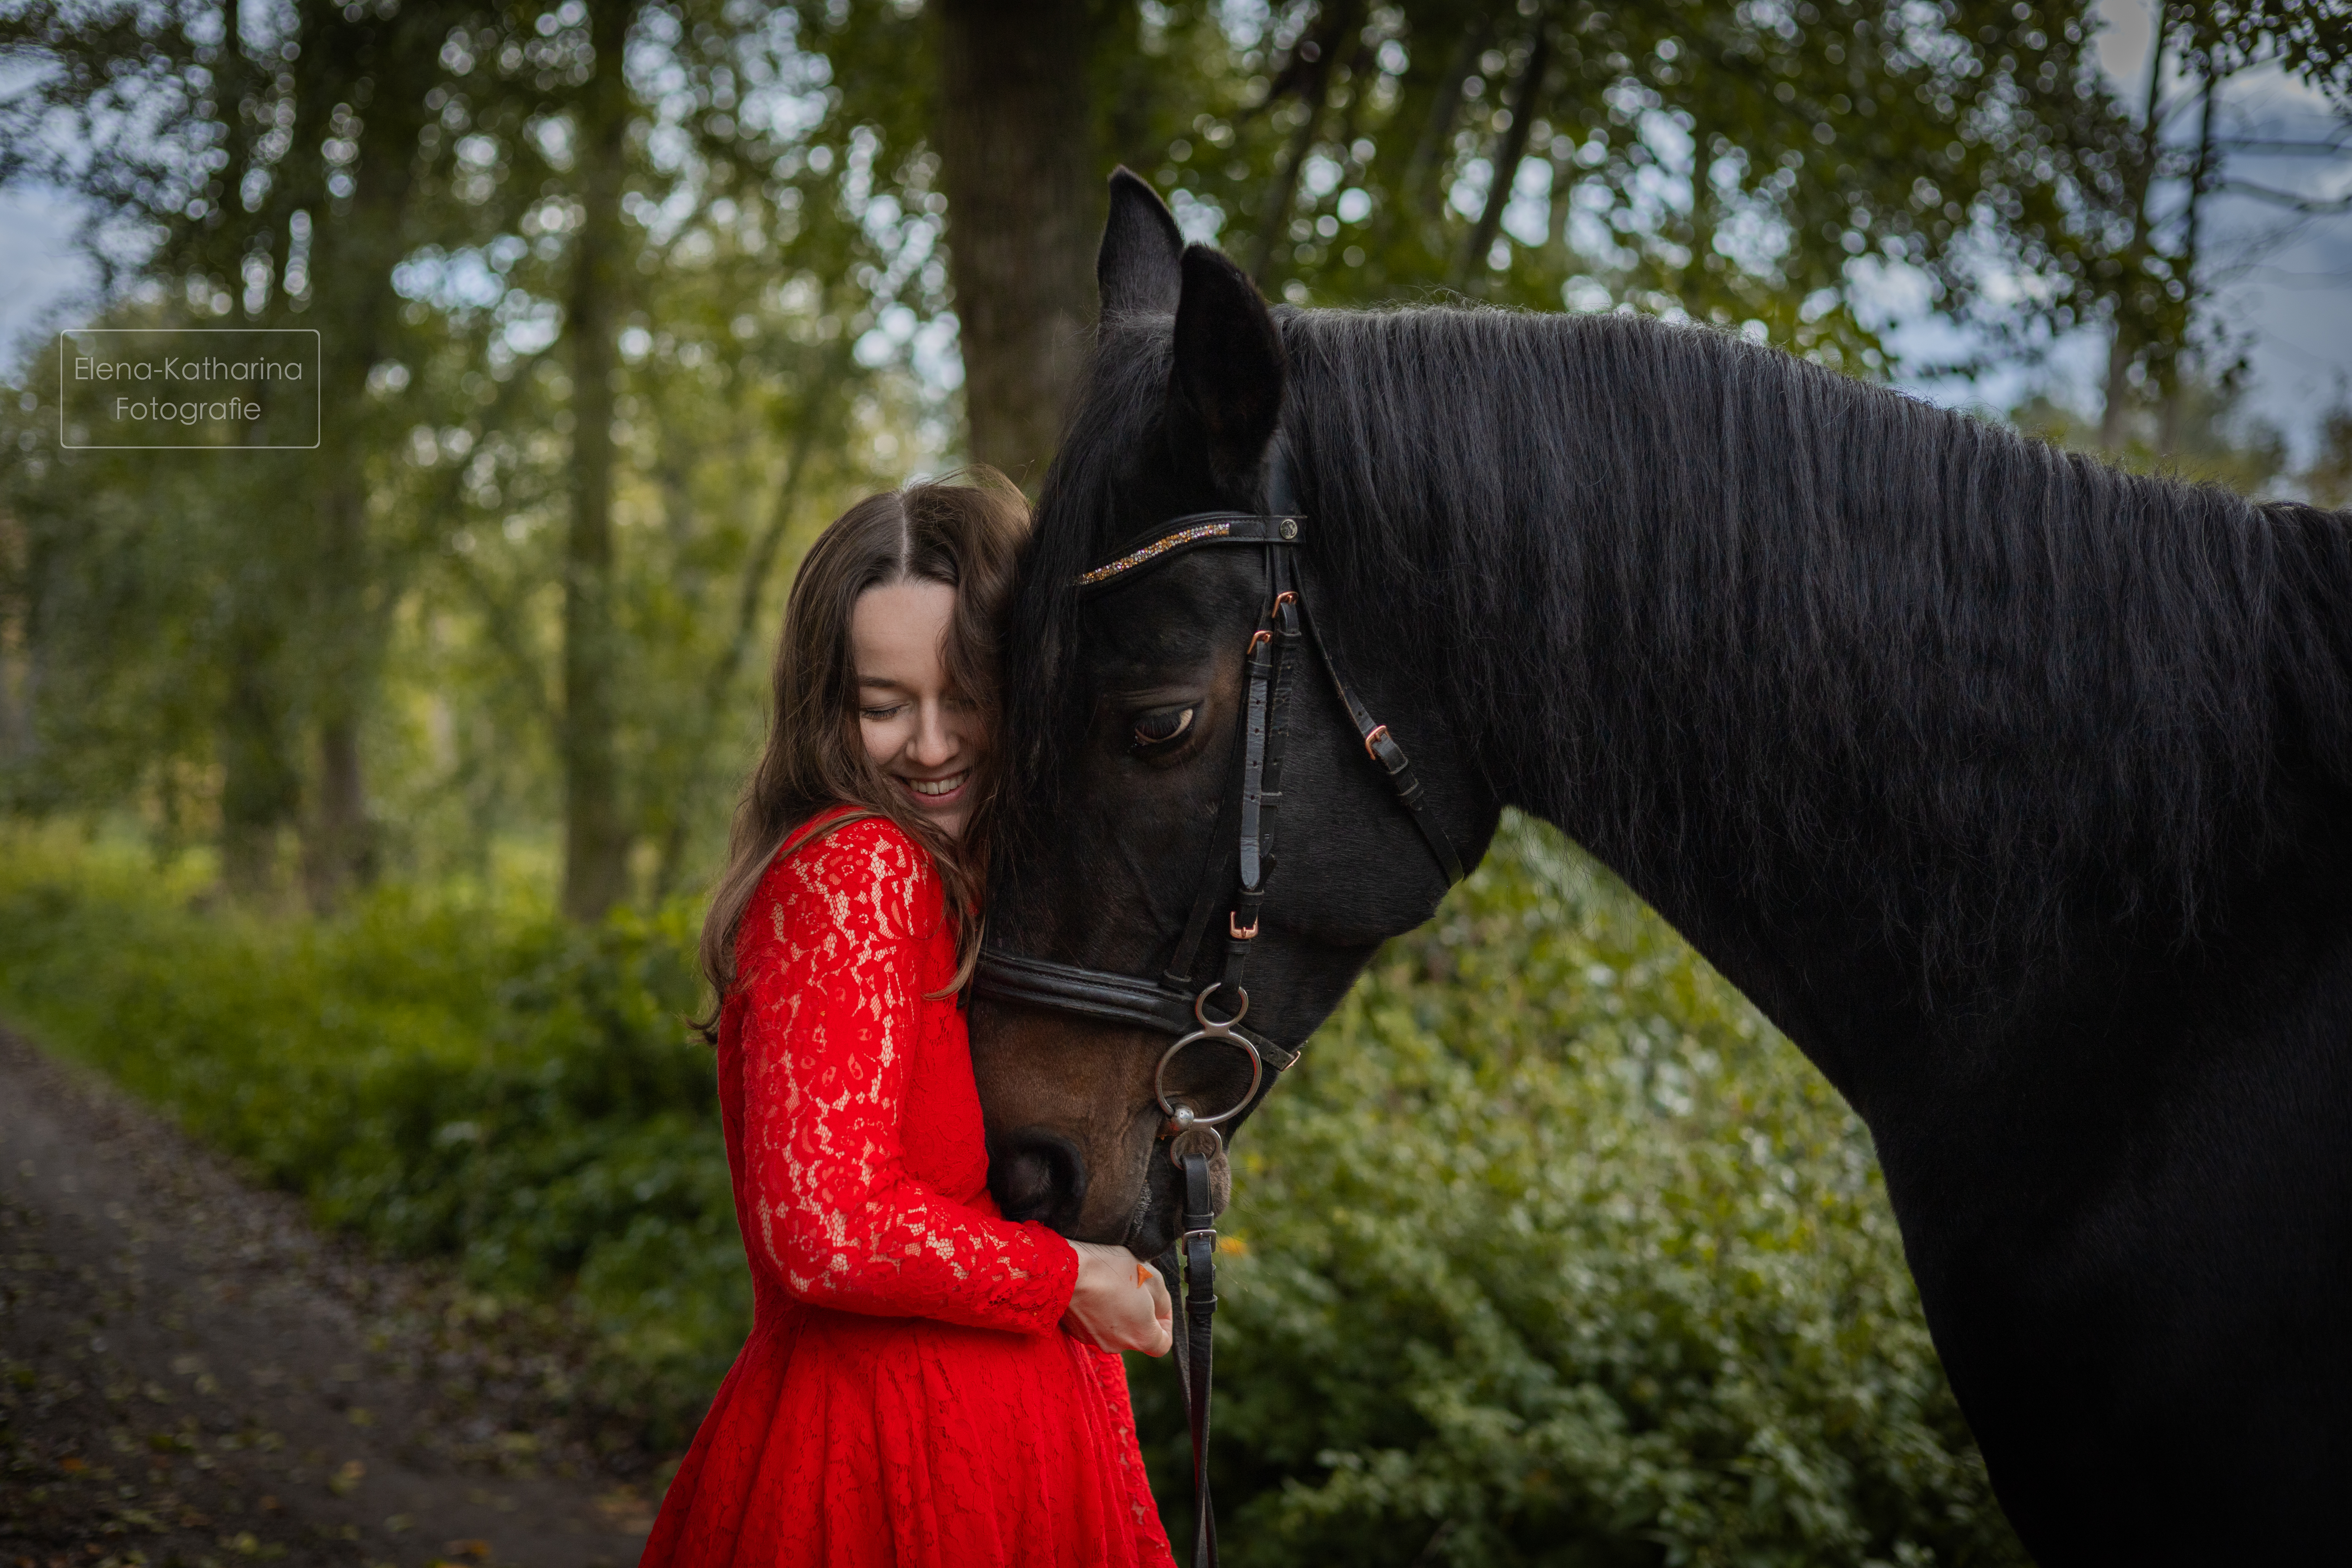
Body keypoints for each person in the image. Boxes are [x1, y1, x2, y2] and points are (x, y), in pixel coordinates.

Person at [641, 471, 1176, 1566]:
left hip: (1004, 1452)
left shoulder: (979, 891)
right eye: (885, 705)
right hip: (890, 1472)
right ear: (824, 709)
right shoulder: (859, 867)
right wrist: (1070, 1277)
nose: (932, 745)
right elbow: (825, 1227)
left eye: (965, 694)